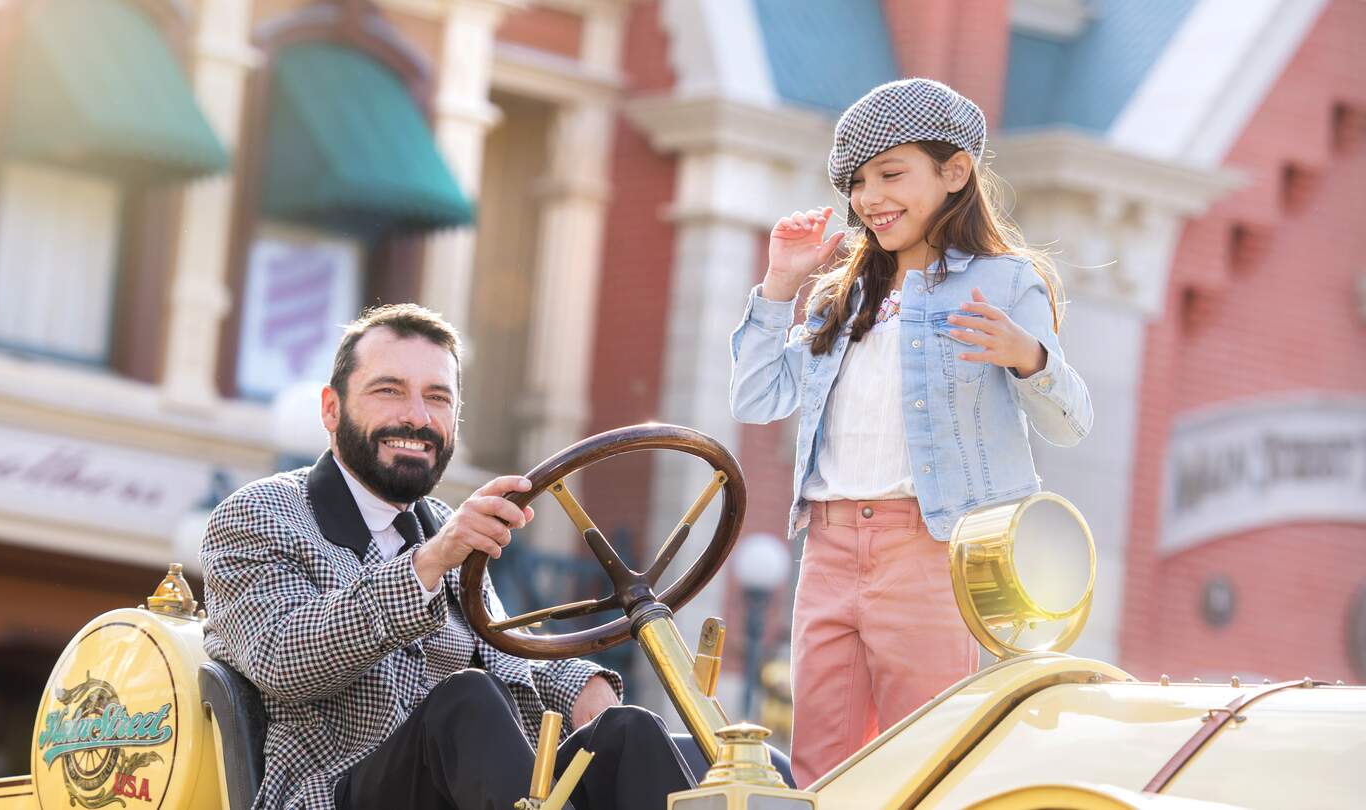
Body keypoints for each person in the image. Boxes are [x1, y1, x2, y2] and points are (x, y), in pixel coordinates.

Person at [728, 78, 1093, 785]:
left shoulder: (1004, 282)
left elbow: (1072, 422)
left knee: (915, 765)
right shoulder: (845, 297)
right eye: (857, 182)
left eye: (892, 173)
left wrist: (1030, 358)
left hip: (931, 550)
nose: (869, 197)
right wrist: (778, 287)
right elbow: (755, 399)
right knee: (819, 770)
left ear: (954, 173)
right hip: (828, 552)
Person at [201, 304, 697, 810]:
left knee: (629, 729)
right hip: (335, 793)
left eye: (437, 398)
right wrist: (431, 562)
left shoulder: (441, 523)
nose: (417, 417)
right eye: (389, 390)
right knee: (467, 701)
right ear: (331, 409)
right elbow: (283, 659)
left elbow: (507, 647)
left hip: (470, 791)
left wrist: (585, 689)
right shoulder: (262, 514)